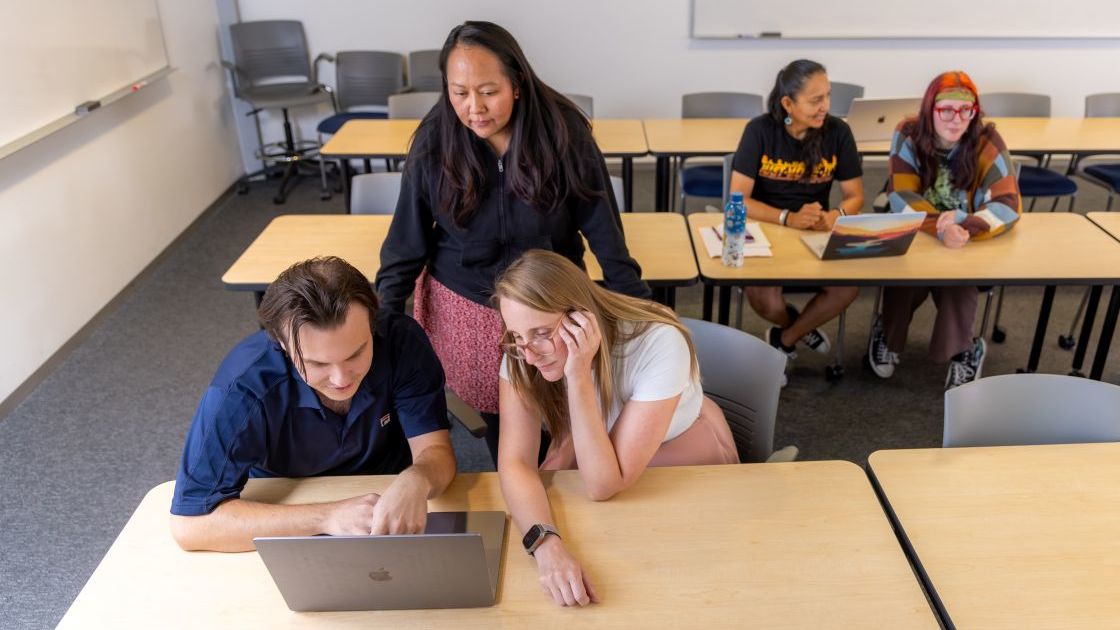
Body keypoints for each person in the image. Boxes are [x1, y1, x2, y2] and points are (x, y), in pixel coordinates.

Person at [376, 21, 649, 464]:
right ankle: (526, 477)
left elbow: (604, 230)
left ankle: (562, 473)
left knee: (572, 407)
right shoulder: (434, 140)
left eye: (488, 91)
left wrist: (641, 313)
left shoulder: (564, 132)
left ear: (517, 83)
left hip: (550, 295)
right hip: (467, 301)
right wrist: (383, 322)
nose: (474, 108)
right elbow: (405, 241)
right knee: (504, 420)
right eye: (459, 92)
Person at [495, 250, 737, 607]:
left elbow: (603, 484)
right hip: (595, 455)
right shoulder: (523, 351)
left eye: (542, 333)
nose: (528, 354)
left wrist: (578, 374)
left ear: (581, 318)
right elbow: (515, 463)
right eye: (515, 335)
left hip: (683, 460)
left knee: (682, 587)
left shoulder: (658, 341)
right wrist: (545, 545)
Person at [169, 257, 456, 552]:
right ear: (281, 343)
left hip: (387, 495)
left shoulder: (401, 341)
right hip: (284, 510)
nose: (341, 378)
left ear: (372, 323)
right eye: (317, 363)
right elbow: (190, 524)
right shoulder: (241, 387)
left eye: (356, 354)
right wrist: (326, 517)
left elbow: (436, 451)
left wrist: (417, 480)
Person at [868, 71, 1021, 389]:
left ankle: (963, 349)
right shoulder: (908, 133)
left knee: (959, 279)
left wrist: (965, 225)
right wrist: (940, 229)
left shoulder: (986, 140)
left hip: (966, 236)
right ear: (930, 110)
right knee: (904, 271)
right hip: (920, 230)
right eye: (946, 110)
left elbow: (1007, 203)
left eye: (966, 110)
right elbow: (901, 196)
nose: (956, 119)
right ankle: (889, 333)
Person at [728, 59, 864, 370]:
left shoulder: (838, 132)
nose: (825, 106)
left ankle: (784, 339)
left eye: (828, 96)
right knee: (765, 299)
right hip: (767, 227)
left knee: (848, 288)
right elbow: (738, 199)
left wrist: (836, 214)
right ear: (788, 103)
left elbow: (855, 196)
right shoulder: (760, 131)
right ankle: (801, 327)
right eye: (816, 100)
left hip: (816, 231)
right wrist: (788, 217)